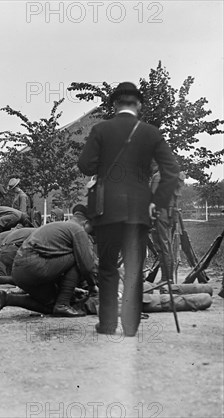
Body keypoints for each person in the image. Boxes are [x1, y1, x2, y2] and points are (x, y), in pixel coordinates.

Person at [78, 82, 180, 337]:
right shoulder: (151, 132)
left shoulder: (101, 129)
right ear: (139, 105)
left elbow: (85, 165)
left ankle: (108, 324)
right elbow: (172, 171)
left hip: (107, 211)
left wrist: (105, 165)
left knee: (108, 268)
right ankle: (131, 327)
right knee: (135, 267)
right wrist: (158, 201)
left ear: (114, 105)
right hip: (139, 211)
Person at [0, 205, 97, 319]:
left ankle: (5, 298)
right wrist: (92, 286)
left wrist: (72, 290)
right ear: (85, 223)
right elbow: (86, 266)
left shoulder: (57, 226)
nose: (89, 234)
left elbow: (56, 262)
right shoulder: (78, 230)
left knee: (52, 306)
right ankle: (63, 304)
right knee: (78, 257)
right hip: (34, 268)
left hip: (19, 272)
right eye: (91, 230)